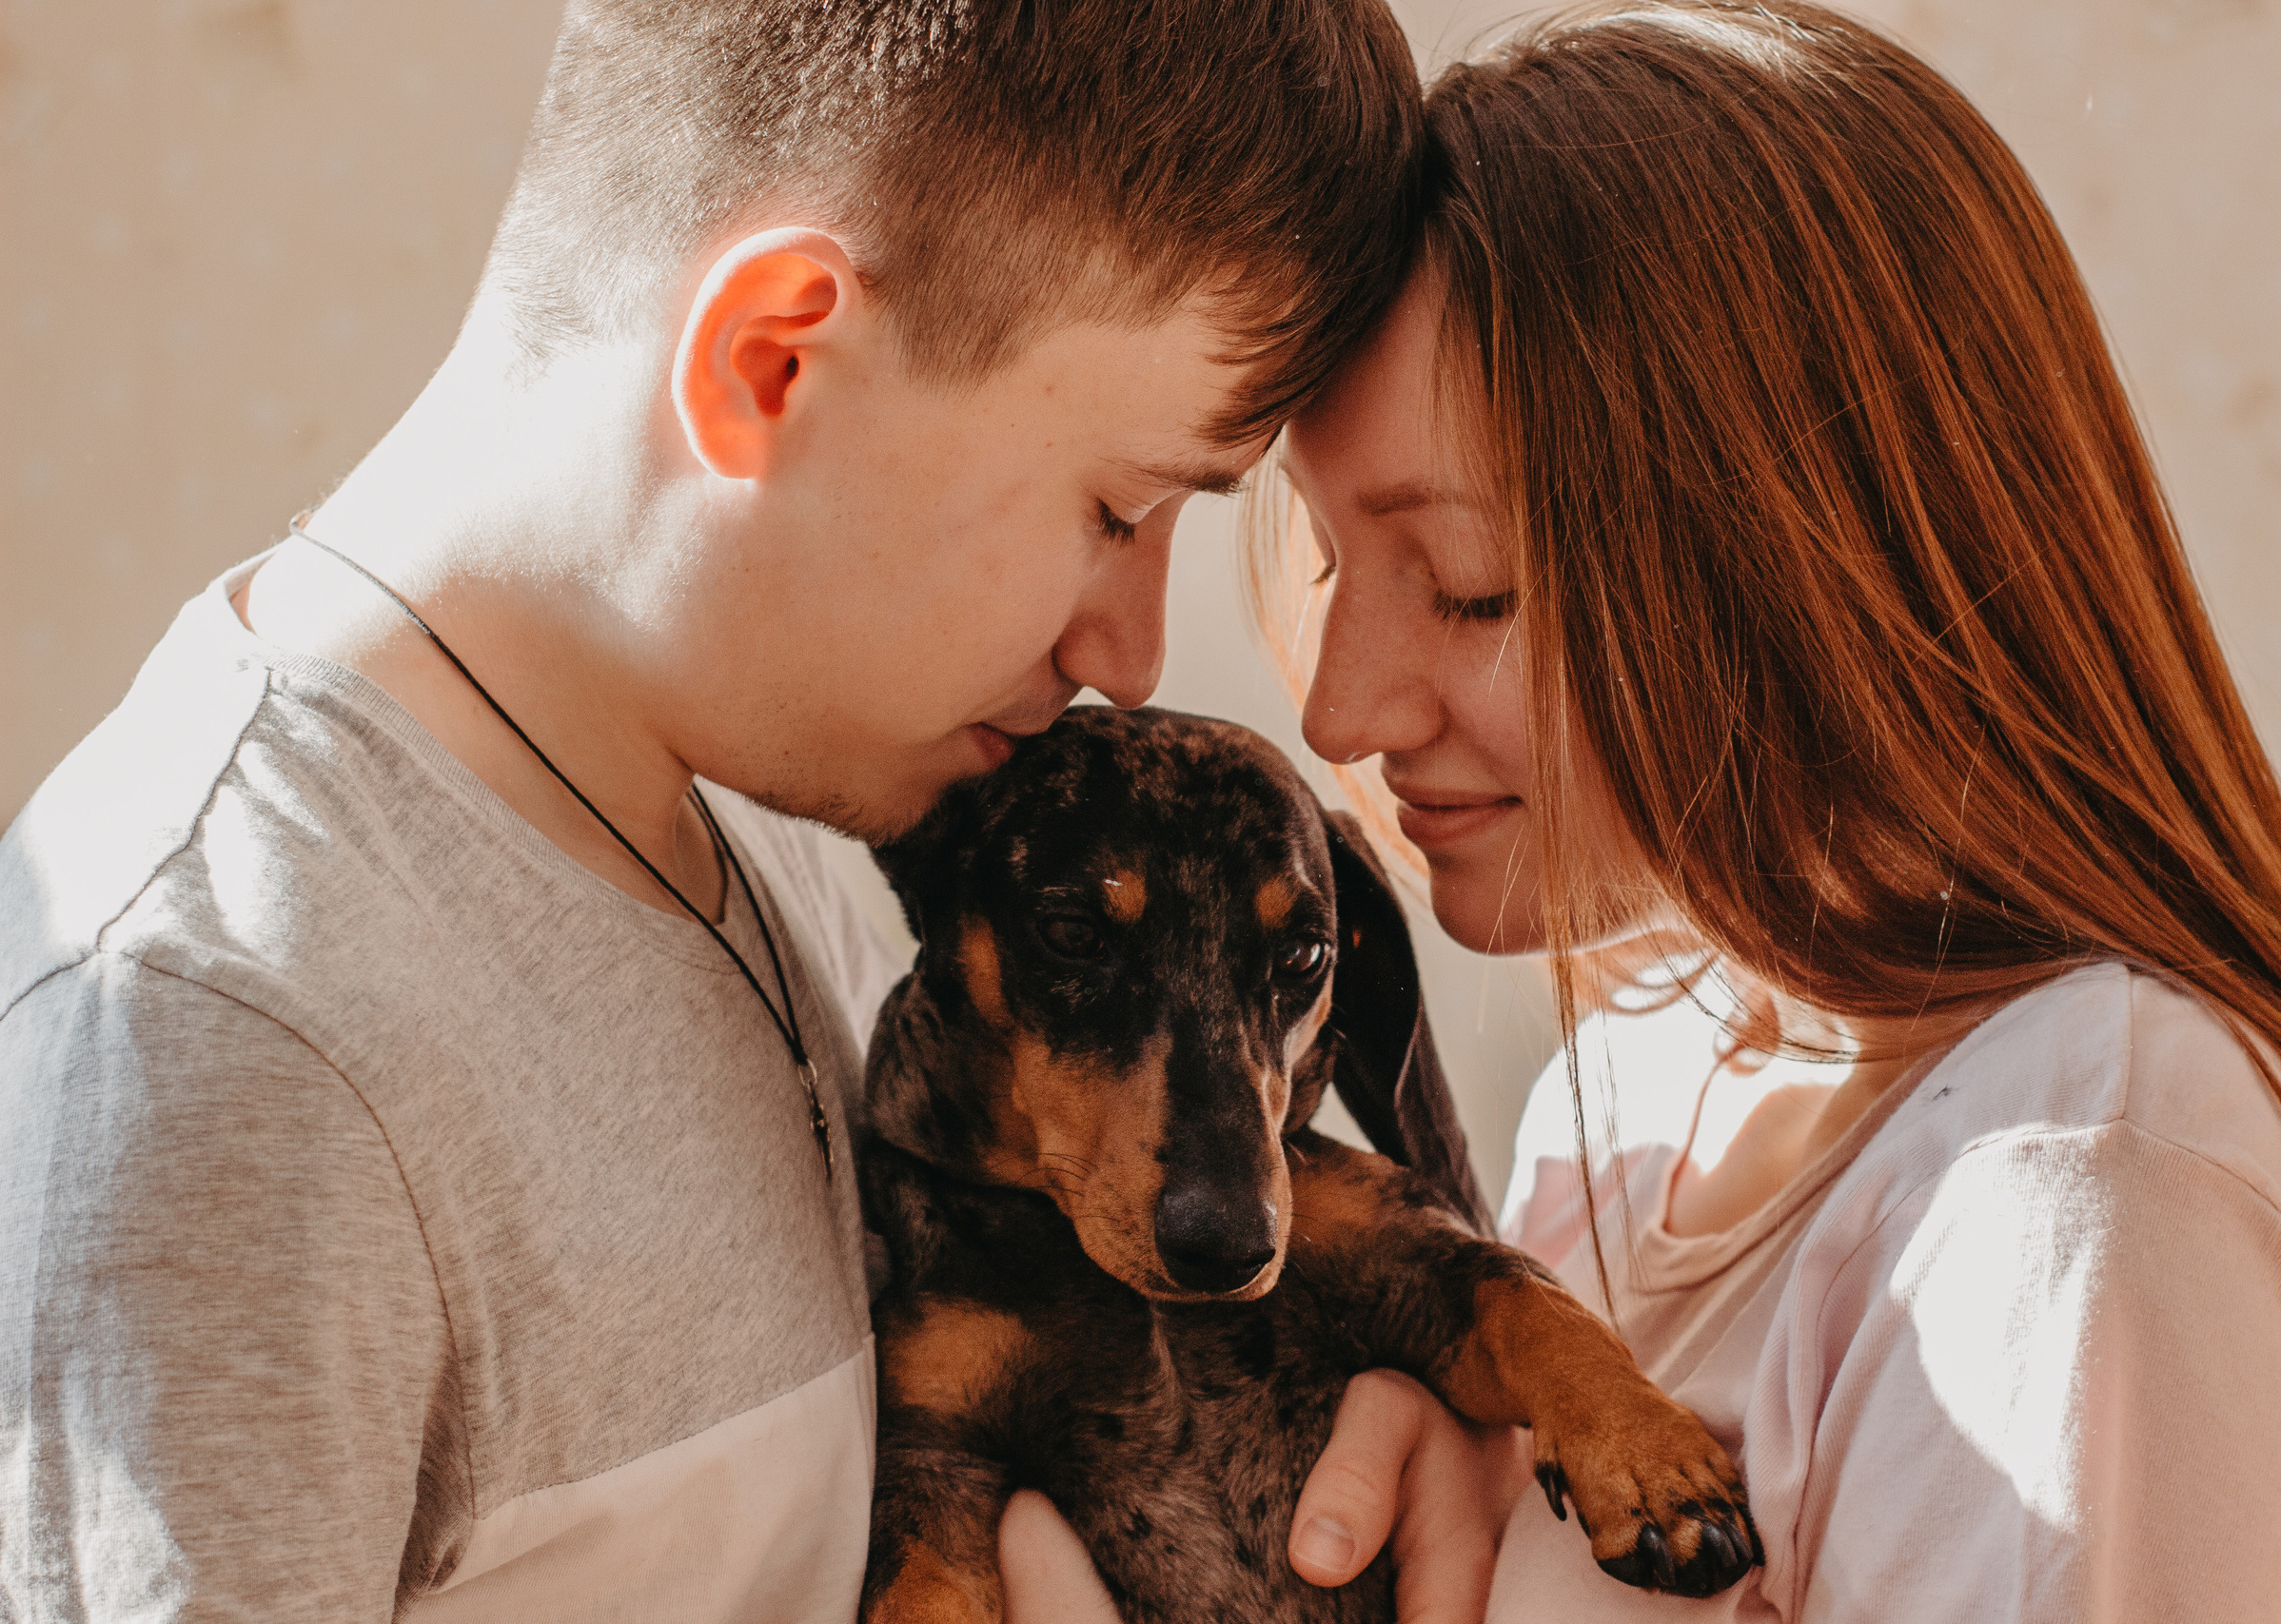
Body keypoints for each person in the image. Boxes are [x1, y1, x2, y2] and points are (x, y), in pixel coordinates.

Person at [0, 2, 1519, 1615]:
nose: (1127, 659)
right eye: (1115, 511)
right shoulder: (224, 1049)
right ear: (773, 357)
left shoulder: (775, 792)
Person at [1277, 2, 2281, 1617]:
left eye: (1471, 590)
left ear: (1803, 565)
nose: (1339, 708)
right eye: (1330, 565)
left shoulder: (2081, 1213)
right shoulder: (1639, 1082)